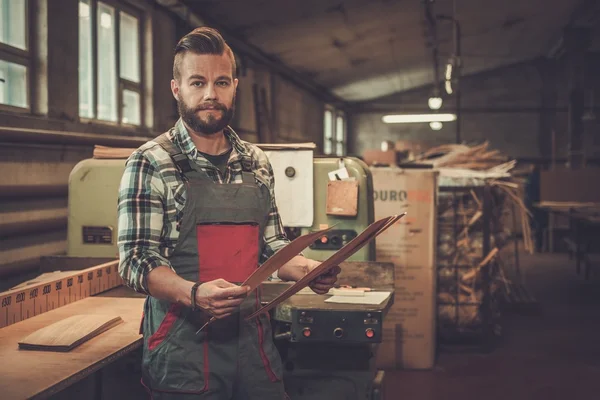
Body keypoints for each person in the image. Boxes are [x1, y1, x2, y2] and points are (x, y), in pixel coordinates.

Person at [117, 26, 341, 399]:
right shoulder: (150, 162)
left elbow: (271, 245)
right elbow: (136, 261)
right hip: (182, 351)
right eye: (197, 82)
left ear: (235, 86)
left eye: (221, 82)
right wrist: (193, 292)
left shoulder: (257, 162)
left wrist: (307, 269)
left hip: (254, 349)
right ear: (177, 89)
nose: (210, 94)